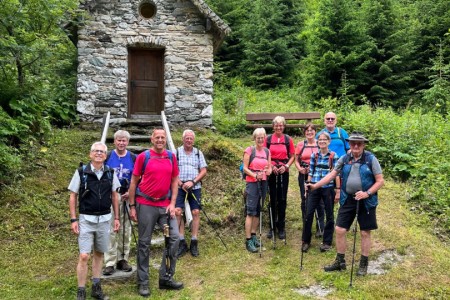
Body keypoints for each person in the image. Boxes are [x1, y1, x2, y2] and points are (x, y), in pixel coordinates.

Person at [308, 132, 384, 276]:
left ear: (363, 145)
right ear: (349, 144)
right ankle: (340, 261)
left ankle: (363, 263)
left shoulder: (370, 159)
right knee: (340, 229)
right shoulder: (345, 158)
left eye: (359, 143)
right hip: (348, 199)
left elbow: (380, 181)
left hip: (367, 200)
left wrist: (367, 193)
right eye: (353, 143)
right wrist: (315, 186)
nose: (356, 146)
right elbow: (332, 175)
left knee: (364, 232)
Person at [128, 128, 183, 297]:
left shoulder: (171, 157)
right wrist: (132, 206)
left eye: (162, 137)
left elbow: (174, 180)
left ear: (165, 139)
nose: (160, 140)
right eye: (157, 137)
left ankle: (166, 277)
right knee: (144, 243)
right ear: (152, 139)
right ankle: (143, 281)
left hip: (165, 206)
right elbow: (133, 181)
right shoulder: (143, 157)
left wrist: (173, 203)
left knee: (173, 238)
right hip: (145, 204)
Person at [68, 142, 121, 300]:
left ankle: (96, 288)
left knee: (99, 253)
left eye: (102, 152)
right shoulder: (81, 172)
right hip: (86, 219)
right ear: (90, 154)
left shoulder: (110, 172)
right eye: (96, 151)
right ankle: (81, 290)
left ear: (105, 156)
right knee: (84, 255)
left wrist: (116, 217)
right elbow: (73, 196)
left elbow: (114, 196)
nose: (99, 154)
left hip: (105, 219)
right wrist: (73, 219)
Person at [103, 130, 136, 275]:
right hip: (111, 197)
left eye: (124, 141)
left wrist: (130, 192)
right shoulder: (108, 157)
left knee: (125, 229)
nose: (121, 143)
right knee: (111, 229)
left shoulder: (133, 158)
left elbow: (138, 177)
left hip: (127, 197)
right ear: (114, 142)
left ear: (127, 142)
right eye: (119, 140)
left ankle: (123, 258)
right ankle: (110, 261)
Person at [301, 132, 340, 253]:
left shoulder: (333, 156)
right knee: (308, 214)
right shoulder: (314, 155)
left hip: (328, 188)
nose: (322, 142)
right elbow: (311, 171)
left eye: (324, 140)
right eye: (320, 140)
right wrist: (308, 184)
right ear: (317, 142)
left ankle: (327, 241)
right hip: (314, 187)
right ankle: (306, 241)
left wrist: (338, 190)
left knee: (329, 214)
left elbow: (336, 174)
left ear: (329, 142)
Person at [175, 129, 208, 258]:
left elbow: (203, 170)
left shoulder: (198, 153)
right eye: (187, 138)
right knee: (178, 212)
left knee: (196, 212)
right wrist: (180, 183)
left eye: (191, 138)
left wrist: (193, 182)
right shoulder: (176, 152)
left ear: (193, 140)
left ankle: (194, 241)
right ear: (183, 139)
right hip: (180, 187)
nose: (189, 140)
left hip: (195, 186)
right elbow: (173, 171)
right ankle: (181, 241)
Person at [265, 116, 295, 240]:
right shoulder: (268, 139)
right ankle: (272, 226)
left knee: (282, 198)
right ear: (273, 126)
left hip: (284, 170)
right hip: (271, 170)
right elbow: (265, 155)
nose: (279, 127)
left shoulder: (288, 139)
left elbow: (293, 156)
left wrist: (286, 166)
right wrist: (271, 166)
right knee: (272, 197)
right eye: (276, 125)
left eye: (281, 125)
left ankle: (281, 226)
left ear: (284, 126)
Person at [242, 128, 272, 252]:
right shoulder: (249, 150)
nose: (260, 139)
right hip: (252, 183)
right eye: (258, 137)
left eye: (262, 137)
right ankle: (248, 240)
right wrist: (255, 175)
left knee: (258, 210)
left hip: (263, 182)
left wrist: (268, 171)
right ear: (254, 138)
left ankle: (254, 236)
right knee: (250, 211)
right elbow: (244, 168)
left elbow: (269, 168)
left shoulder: (267, 151)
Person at [294, 123, 320, 222]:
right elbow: (296, 160)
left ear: (315, 132)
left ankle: (319, 224)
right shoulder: (301, 144)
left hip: (317, 174)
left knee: (319, 198)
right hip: (304, 173)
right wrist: (300, 168)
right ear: (304, 132)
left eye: (311, 130)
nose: (309, 132)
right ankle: (306, 220)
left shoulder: (319, 143)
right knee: (305, 197)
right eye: (307, 131)